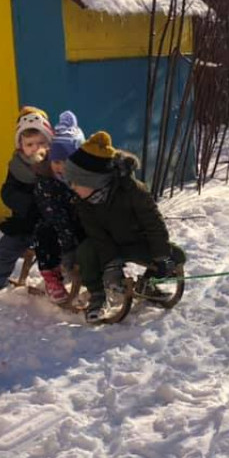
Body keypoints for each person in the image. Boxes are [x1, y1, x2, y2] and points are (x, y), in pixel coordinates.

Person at [65, 131, 185, 323]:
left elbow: (153, 223)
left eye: (76, 182)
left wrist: (161, 256)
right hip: (108, 245)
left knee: (176, 256)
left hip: (136, 241)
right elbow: (97, 235)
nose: (72, 187)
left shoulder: (133, 191)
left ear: (94, 181)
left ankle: (147, 284)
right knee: (86, 251)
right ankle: (97, 294)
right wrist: (112, 266)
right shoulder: (84, 201)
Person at [0, 109, 54, 292]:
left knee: (58, 250)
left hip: (52, 223)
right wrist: (26, 203)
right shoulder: (17, 167)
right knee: (6, 247)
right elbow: (8, 192)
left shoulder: (55, 165)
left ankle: (55, 282)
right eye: (30, 144)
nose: (36, 148)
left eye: (41, 142)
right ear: (21, 146)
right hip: (25, 221)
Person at [32, 111, 85, 302]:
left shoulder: (81, 180)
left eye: (66, 162)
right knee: (45, 235)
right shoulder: (46, 181)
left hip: (74, 222)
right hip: (51, 222)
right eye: (56, 161)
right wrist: (69, 247)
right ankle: (51, 275)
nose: (60, 167)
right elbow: (56, 216)